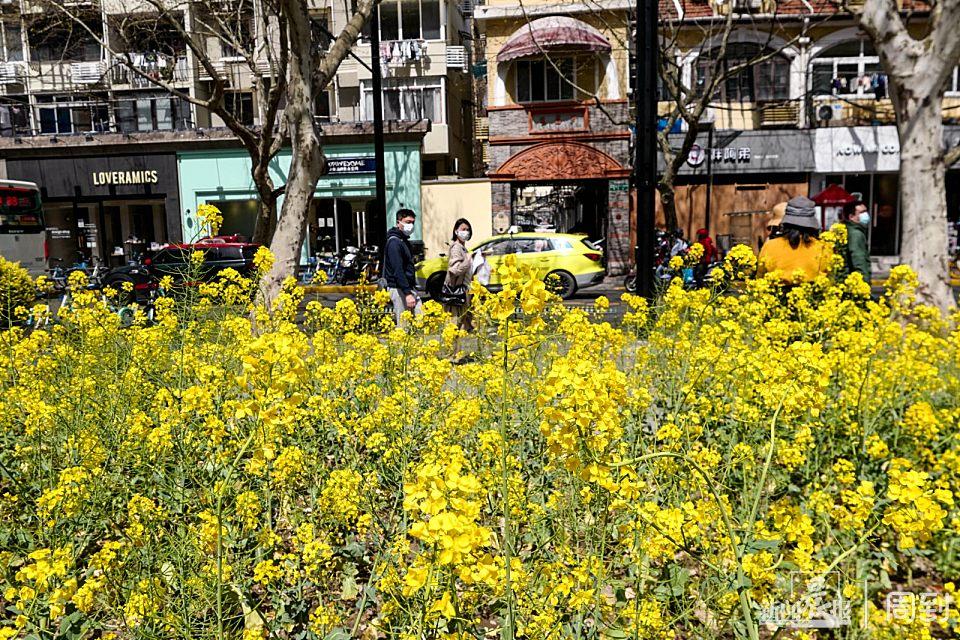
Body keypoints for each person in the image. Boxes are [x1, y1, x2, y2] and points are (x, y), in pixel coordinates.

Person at [756, 196, 833, 282]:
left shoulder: (769, 246)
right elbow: (828, 280)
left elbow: (760, 278)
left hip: (775, 294)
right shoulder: (823, 248)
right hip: (810, 294)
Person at [383, 208, 422, 324]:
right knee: (404, 325)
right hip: (399, 288)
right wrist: (407, 293)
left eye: (413, 222)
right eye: (408, 222)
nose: (411, 225)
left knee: (420, 319)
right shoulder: (394, 242)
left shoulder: (403, 241)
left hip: (407, 287)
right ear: (398, 222)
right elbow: (398, 270)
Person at [443, 218, 474, 333]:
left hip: (463, 290)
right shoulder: (456, 247)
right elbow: (454, 270)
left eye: (468, 230)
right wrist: (468, 260)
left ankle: (456, 350)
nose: (466, 232)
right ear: (456, 231)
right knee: (454, 325)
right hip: (455, 292)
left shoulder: (462, 248)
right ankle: (452, 350)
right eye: (463, 229)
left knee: (461, 325)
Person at [840, 200, 872, 283]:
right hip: (856, 283)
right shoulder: (856, 234)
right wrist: (864, 282)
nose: (866, 215)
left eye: (866, 211)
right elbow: (859, 259)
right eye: (862, 212)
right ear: (851, 217)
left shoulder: (846, 230)